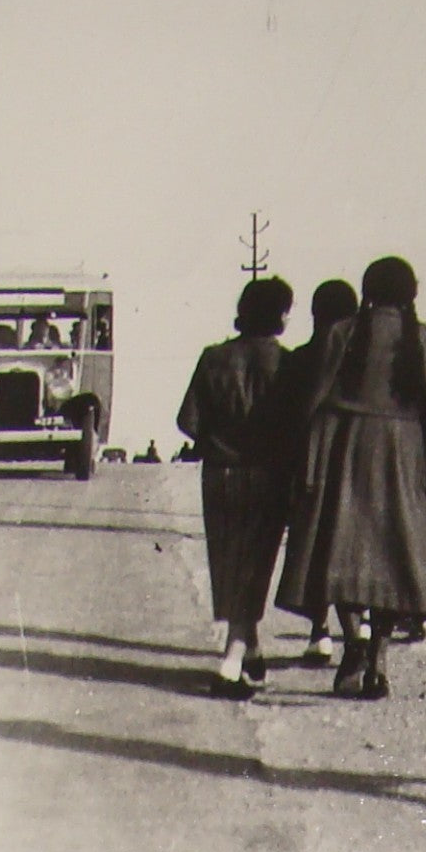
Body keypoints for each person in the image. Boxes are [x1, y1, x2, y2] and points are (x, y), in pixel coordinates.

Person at [275, 257, 426, 700]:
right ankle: (379, 658)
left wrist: (299, 457)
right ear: (410, 294)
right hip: (406, 459)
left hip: (347, 451)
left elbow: (311, 401)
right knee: (392, 559)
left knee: (345, 554)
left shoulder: (341, 336)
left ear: (367, 291)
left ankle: (354, 642)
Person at [176, 277, 295, 699]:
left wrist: (216, 439)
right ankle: (230, 664)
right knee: (256, 565)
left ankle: (252, 649)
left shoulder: (213, 358)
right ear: (280, 315)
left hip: (221, 474)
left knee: (230, 564)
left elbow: (186, 422)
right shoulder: (289, 364)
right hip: (268, 476)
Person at [274, 279, 361, 666]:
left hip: (310, 464)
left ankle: (319, 633)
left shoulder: (300, 359)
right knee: (348, 547)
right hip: (356, 467)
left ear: (315, 315)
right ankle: (356, 631)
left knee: (313, 547)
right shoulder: (365, 360)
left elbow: (289, 418)